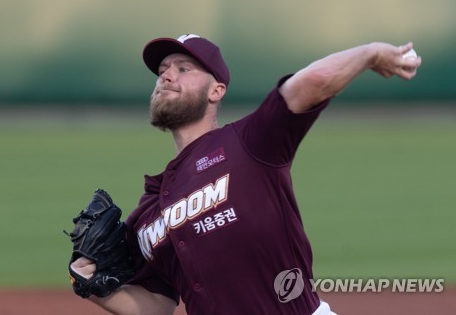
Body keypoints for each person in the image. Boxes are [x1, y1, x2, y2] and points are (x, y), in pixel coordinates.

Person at [70, 33, 421, 314]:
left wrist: (371, 53)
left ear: (217, 90)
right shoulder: (149, 212)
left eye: (184, 68)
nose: (166, 75)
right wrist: (90, 284)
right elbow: (156, 306)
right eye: (163, 69)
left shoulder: (251, 142)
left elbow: (314, 80)